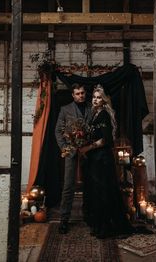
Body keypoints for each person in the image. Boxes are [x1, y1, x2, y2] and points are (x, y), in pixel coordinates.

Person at [79, 85, 134, 239]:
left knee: (102, 193)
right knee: (97, 192)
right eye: (94, 97)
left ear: (103, 101)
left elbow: (105, 140)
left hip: (102, 159)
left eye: (98, 97)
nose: (95, 100)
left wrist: (87, 148)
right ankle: (99, 225)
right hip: (95, 159)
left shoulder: (103, 114)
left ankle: (105, 228)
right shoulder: (94, 114)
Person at [55, 83, 92, 234]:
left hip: (89, 151)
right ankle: (64, 219)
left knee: (91, 184)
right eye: (77, 93)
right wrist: (65, 148)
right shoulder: (65, 109)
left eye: (82, 93)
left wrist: (90, 146)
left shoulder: (92, 107)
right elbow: (58, 131)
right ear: (73, 95)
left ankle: (90, 216)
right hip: (71, 151)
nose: (80, 96)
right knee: (68, 186)